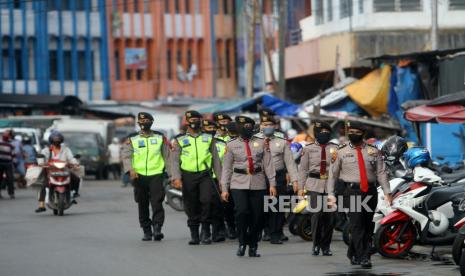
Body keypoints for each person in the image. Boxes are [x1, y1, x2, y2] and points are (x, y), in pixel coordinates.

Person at [327, 121, 392, 268]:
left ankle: (353, 253)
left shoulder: (373, 151)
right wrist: (331, 194)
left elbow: (381, 172)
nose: (353, 135)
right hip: (352, 192)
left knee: (368, 225)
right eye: (351, 132)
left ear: (363, 134)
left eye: (357, 133)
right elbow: (332, 174)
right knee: (357, 225)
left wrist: (387, 192)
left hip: (370, 191)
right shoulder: (341, 151)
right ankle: (364, 257)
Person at [220, 115, 277, 257]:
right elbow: (226, 168)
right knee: (241, 212)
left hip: (258, 181)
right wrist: (224, 189)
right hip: (238, 182)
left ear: (252, 127)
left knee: (258, 216)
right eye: (242, 126)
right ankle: (242, 242)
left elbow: (268, 164)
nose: (245, 129)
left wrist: (272, 184)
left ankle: (253, 245)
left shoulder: (262, 142)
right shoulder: (231, 145)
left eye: (248, 126)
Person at [171, 110, 222, 245]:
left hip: (205, 174)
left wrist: (221, 179)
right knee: (191, 205)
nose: (194, 122)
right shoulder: (179, 139)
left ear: (200, 121)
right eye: (191, 120)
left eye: (196, 119)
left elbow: (216, 159)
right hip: (188, 175)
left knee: (206, 201)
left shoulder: (209, 138)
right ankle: (194, 234)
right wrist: (176, 177)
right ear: (187, 122)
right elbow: (175, 160)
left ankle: (206, 231)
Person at [121, 113, 171, 241]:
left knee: (157, 202)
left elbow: (167, 156)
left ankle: (157, 228)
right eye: (141, 120)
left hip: (156, 174)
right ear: (138, 123)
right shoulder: (132, 138)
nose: (144, 122)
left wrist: (171, 175)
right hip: (139, 175)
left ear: (152, 121)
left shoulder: (160, 137)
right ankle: (146, 230)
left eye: (146, 120)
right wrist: (130, 169)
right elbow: (126, 155)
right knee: (142, 203)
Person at [256, 115, 299, 244]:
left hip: (278, 176)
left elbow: (290, 162)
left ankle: (275, 233)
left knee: (278, 205)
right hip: (260, 177)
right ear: (260, 126)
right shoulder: (254, 141)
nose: (267, 127)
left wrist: (295, 180)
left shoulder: (282, 141)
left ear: (275, 126)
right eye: (264, 124)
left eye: (270, 124)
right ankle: (266, 230)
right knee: (262, 205)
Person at [298, 121, 338, 256]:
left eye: (327, 132)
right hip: (313, 184)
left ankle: (326, 246)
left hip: (330, 185)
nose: (324, 135)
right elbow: (303, 169)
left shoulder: (336, 148)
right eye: (321, 132)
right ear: (316, 134)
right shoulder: (308, 148)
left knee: (330, 218)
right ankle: (316, 244)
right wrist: (300, 187)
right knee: (316, 216)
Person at [35, 131, 80, 212]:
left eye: (58, 139)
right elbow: (41, 159)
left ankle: (74, 193)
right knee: (42, 185)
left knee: (76, 179)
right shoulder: (46, 150)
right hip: (50, 171)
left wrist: (75, 163)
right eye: (55, 139)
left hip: (64, 171)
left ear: (61, 140)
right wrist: (41, 163)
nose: (56, 141)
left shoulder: (66, 149)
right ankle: (41, 205)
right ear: (51, 140)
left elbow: (71, 158)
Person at [213, 112, 237, 240]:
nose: (223, 125)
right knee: (219, 205)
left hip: (235, 175)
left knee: (233, 204)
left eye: (226, 122)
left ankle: (233, 227)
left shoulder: (233, 138)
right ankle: (221, 229)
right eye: (221, 122)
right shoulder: (212, 139)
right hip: (217, 176)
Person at [202, 119, 226, 242]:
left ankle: (217, 232)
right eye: (208, 129)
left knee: (218, 206)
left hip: (218, 179)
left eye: (212, 129)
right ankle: (205, 231)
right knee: (205, 206)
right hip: (203, 177)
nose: (210, 131)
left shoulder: (222, 144)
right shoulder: (200, 142)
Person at [0, 130, 15, 199]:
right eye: (4, 134)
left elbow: (13, 154)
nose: (5, 135)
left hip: (8, 163)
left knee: (10, 178)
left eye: (7, 134)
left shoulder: (11, 143)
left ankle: (11, 193)